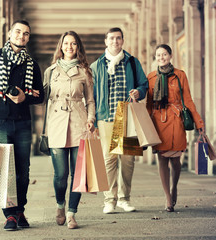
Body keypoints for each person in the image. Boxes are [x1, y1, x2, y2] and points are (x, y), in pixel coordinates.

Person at [0, 20, 44, 230]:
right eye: (18, 31)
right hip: (1, 122)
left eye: (26, 33)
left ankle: (19, 210)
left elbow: (40, 95)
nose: (21, 36)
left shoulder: (32, 64)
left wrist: (25, 97)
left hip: (24, 123)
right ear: (10, 33)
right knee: (5, 170)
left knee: (23, 171)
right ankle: (10, 214)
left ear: (28, 37)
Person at [90, 27, 148, 214]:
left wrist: (139, 91)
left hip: (128, 115)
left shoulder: (132, 62)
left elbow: (143, 83)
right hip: (106, 117)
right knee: (109, 159)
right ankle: (109, 200)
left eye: (118, 38)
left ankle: (125, 198)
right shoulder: (96, 66)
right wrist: (93, 118)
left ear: (122, 41)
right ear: (106, 41)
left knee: (128, 159)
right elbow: (91, 94)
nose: (115, 41)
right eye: (112, 38)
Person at [43, 31, 95, 229]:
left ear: (78, 47)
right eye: (66, 43)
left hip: (79, 123)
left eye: (73, 43)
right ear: (61, 46)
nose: (69, 47)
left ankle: (72, 213)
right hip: (56, 123)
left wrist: (91, 119)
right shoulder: (50, 71)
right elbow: (42, 98)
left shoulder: (85, 71)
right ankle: (60, 205)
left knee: (78, 173)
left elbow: (90, 101)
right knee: (60, 175)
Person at [146, 44, 204, 212]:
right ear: (155, 57)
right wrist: (145, 125)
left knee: (176, 159)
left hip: (176, 119)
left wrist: (198, 122)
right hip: (158, 121)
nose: (161, 57)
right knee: (162, 158)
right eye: (158, 55)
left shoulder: (180, 75)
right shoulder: (151, 77)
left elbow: (188, 100)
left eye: (164, 54)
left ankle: (174, 186)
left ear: (170, 56)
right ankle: (168, 197)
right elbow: (149, 104)